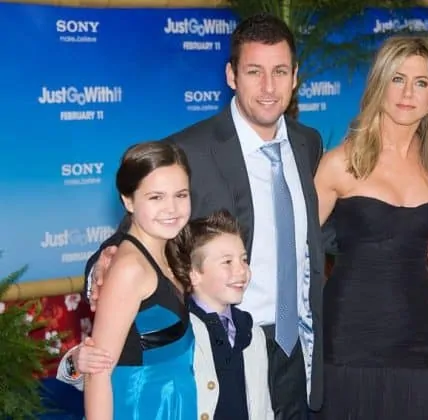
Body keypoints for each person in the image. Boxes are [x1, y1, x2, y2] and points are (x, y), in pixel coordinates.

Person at [80, 13, 325, 420]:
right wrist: (102, 267)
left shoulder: (308, 144)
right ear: (231, 75)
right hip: (222, 350)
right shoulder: (189, 150)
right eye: (254, 72)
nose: (268, 87)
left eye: (280, 71)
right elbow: (133, 232)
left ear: (295, 76)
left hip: (299, 349)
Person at [314, 36, 428, 419]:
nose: (408, 93)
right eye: (397, 79)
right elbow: (300, 246)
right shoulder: (341, 163)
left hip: (415, 331)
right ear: (379, 85)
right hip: (349, 331)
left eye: (421, 82)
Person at [58, 210, 274, 420]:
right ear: (194, 274)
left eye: (244, 259)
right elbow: (119, 371)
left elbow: (263, 409)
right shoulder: (175, 327)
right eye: (227, 262)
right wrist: (77, 362)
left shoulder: (253, 333)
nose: (242, 270)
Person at [83, 141, 197, 419]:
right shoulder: (130, 269)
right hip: (139, 408)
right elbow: (98, 372)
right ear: (128, 200)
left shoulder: (172, 249)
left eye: (181, 195)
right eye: (156, 197)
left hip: (174, 405)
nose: (172, 208)